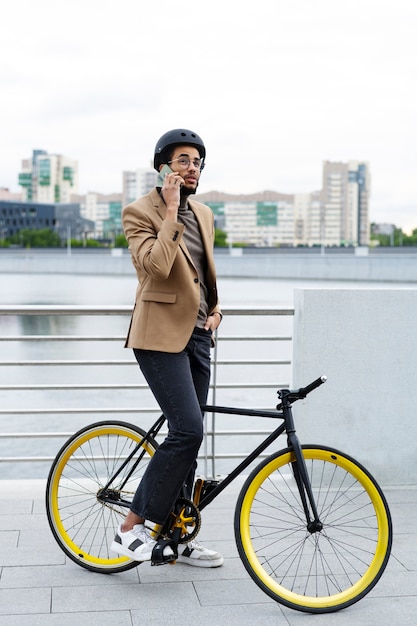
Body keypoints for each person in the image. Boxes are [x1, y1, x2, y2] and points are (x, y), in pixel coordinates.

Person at [111, 129, 223, 568]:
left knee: (189, 441)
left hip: (198, 336)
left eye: (196, 161)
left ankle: (175, 533)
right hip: (158, 336)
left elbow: (203, 273)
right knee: (187, 430)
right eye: (181, 160)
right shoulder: (138, 211)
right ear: (162, 166)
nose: (191, 167)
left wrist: (217, 311)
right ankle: (131, 528)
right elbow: (156, 268)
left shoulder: (207, 214)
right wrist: (172, 211)